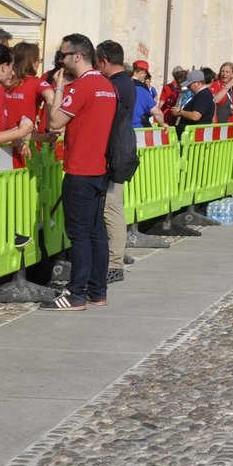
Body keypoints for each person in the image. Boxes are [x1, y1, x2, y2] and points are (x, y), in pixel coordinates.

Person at [42, 34, 116, 311]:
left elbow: (55, 121)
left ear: (77, 56)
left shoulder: (82, 86)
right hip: (100, 168)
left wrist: (60, 88)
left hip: (80, 168)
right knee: (96, 231)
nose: (59, 60)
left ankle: (76, 294)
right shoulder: (107, 85)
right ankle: (98, 290)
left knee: (80, 234)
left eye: (63, 55)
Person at [95, 40, 140, 283]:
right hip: (119, 151)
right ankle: (112, 261)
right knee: (112, 208)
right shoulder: (125, 82)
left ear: (103, 60)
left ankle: (114, 263)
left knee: (111, 209)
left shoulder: (115, 85)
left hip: (115, 153)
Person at [170, 67, 214, 135]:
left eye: (190, 85)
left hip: (194, 137)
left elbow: (195, 116)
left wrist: (179, 112)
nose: (188, 87)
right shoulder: (199, 94)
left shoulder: (203, 95)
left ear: (199, 83)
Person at [130, 61, 163, 128]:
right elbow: (152, 110)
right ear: (142, 73)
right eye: (146, 75)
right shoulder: (142, 87)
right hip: (140, 124)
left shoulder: (125, 83)